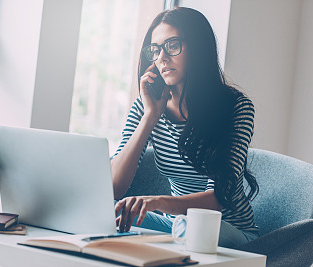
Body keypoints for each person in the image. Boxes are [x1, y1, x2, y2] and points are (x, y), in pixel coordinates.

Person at [111, 7, 260, 249]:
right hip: (174, 225)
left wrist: (157, 201)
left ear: (198, 48)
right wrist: (150, 116)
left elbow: (219, 198)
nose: (162, 58)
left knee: (190, 228)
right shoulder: (147, 104)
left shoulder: (235, 107)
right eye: (156, 50)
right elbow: (115, 185)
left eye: (172, 45)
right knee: (109, 214)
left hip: (227, 228)